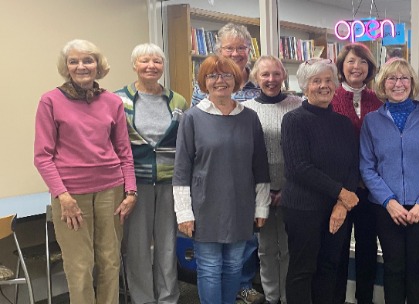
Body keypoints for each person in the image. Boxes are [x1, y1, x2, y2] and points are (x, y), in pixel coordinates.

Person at [34, 39, 137, 304]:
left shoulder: (113, 102)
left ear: (98, 65)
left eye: (88, 60)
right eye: (74, 61)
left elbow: (124, 151)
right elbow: (42, 157)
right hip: (71, 196)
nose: (81, 66)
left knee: (110, 262)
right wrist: (62, 196)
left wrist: (131, 190)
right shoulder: (50, 101)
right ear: (66, 66)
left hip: (111, 191)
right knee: (79, 268)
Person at [173, 55, 270, 304]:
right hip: (205, 207)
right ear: (204, 82)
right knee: (209, 268)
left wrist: (261, 206)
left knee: (234, 266)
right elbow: (182, 169)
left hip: (241, 206)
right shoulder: (192, 118)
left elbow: (259, 167)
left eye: (227, 75)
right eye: (212, 75)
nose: (220, 81)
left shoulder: (249, 118)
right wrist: (184, 213)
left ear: (236, 80)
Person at [360, 58, 419, 304]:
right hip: (387, 208)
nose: (398, 84)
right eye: (392, 78)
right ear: (383, 84)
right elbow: (367, 167)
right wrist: (388, 201)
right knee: (394, 266)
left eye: (404, 78)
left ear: (412, 83)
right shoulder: (371, 121)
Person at [280, 58, 360, 304]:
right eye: (316, 81)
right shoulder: (294, 120)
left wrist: (341, 204)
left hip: (337, 208)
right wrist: (342, 193)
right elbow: (299, 168)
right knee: (303, 270)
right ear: (305, 86)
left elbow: (352, 165)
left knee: (330, 266)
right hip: (303, 208)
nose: (324, 86)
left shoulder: (343, 123)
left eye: (328, 80)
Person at [115, 43, 188, 304]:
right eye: (145, 61)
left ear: (163, 66)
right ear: (134, 65)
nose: (151, 66)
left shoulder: (177, 100)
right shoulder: (118, 100)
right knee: (137, 248)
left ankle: (169, 298)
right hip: (134, 185)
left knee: (168, 245)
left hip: (170, 181)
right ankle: (143, 299)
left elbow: (185, 141)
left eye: (157, 61)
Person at [245, 55, 303, 304]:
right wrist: (263, 190)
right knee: (266, 249)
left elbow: (303, 152)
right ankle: (271, 297)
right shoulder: (246, 110)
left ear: (283, 76)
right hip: (261, 190)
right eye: (265, 75)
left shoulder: (299, 105)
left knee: (290, 248)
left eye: (276, 74)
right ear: (256, 78)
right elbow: (246, 155)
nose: (271, 79)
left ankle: (289, 295)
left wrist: (287, 187)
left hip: (294, 187)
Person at [330, 43, 383, 304]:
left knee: (367, 251)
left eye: (362, 62)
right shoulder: (330, 98)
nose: (356, 67)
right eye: (351, 61)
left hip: (369, 189)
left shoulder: (379, 100)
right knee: (337, 251)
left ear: (370, 68)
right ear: (341, 66)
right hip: (338, 189)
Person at [191, 23, 261, 106]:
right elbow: (194, 117)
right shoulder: (204, 87)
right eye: (229, 48)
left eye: (241, 48)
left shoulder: (261, 84)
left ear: (249, 51)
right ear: (219, 51)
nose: (235, 54)